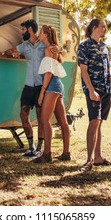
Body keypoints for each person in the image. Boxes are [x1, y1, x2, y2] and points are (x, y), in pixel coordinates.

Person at [77, 18, 111, 171]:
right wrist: (91, 90)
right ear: (94, 27)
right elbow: (84, 70)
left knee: (99, 123)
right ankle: (89, 160)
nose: (105, 30)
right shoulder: (84, 46)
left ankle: (98, 157)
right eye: (103, 27)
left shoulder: (105, 47)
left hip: (107, 90)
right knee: (94, 121)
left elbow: (106, 67)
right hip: (94, 90)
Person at [4, 19, 45, 157]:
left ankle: (39, 148)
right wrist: (12, 53)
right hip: (28, 86)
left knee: (41, 118)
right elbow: (9, 51)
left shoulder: (43, 44)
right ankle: (31, 146)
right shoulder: (24, 46)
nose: (21, 32)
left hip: (41, 86)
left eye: (23, 30)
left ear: (30, 30)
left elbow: (57, 52)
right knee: (23, 115)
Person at [33, 25, 70, 163]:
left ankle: (47, 154)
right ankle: (66, 153)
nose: (39, 35)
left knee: (44, 119)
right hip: (58, 85)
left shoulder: (49, 49)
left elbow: (48, 72)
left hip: (51, 85)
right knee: (62, 121)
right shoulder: (54, 49)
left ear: (46, 34)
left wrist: (42, 92)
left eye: (41, 32)